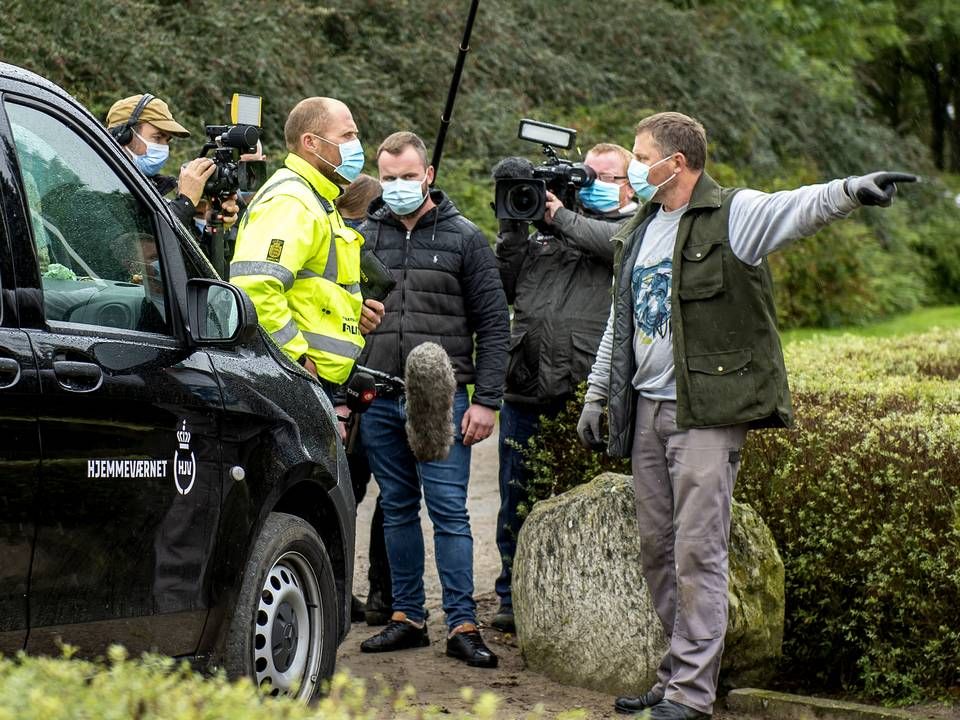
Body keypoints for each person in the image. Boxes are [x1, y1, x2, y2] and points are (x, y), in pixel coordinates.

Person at [576, 112, 916, 720]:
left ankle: (690, 695)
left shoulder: (731, 214)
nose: (632, 164)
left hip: (705, 413)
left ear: (674, 163)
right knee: (657, 547)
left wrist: (851, 189)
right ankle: (677, 671)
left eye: (639, 153)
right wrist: (599, 392)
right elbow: (620, 321)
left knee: (698, 552)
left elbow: (797, 207)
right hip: (647, 409)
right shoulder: (641, 225)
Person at [357, 131, 509, 668]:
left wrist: (486, 399)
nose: (397, 186)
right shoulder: (358, 236)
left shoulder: (466, 238)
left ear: (428, 175)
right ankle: (407, 618)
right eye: (388, 176)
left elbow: (494, 325)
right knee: (395, 509)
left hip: (441, 398)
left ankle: (463, 623)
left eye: (407, 176)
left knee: (449, 512)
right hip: (377, 394)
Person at [492, 142, 638, 633]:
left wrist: (560, 219)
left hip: (584, 394)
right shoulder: (546, 234)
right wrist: (512, 224)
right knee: (517, 497)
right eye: (586, 174)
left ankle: (583, 598)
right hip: (526, 387)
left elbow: (614, 244)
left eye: (604, 176)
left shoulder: (639, 228)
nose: (589, 183)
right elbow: (504, 287)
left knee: (583, 501)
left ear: (629, 184)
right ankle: (511, 593)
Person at [229, 97, 385, 404]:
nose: (356, 145)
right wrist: (298, 362)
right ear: (311, 142)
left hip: (307, 382)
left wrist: (355, 313)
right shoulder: (293, 201)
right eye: (347, 136)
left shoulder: (318, 199)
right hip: (293, 382)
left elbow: (310, 287)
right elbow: (255, 289)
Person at [332, 172, 394, 624]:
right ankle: (358, 593)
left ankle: (356, 593)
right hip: (349, 385)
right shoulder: (337, 246)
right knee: (360, 498)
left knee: (363, 497)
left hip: (364, 387)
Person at [106, 94, 237, 233]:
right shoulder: (98, 192)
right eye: (157, 138)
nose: (164, 148)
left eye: (167, 141)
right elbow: (141, 248)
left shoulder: (151, 194)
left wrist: (212, 228)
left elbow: (173, 252)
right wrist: (185, 202)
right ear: (122, 136)